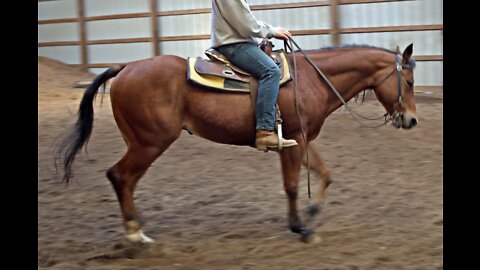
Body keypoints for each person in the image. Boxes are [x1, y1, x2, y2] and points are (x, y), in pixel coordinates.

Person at [211, 0, 298, 152]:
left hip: (236, 41)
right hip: (234, 44)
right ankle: (265, 131)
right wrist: (272, 31)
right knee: (271, 71)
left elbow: (243, 19)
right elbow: (246, 25)